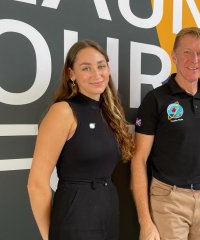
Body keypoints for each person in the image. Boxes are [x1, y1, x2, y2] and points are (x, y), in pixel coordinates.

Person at [27, 39, 134, 240]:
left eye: (101, 66)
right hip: (75, 217)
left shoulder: (109, 113)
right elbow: (36, 183)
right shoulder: (63, 112)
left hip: (108, 213)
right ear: (71, 74)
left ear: (108, 68)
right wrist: (49, 236)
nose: (96, 74)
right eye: (86, 68)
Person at [131, 27, 200, 240]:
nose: (194, 59)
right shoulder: (155, 100)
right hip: (169, 200)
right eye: (187, 52)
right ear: (174, 56)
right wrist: (145, 221)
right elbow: (139, 159)